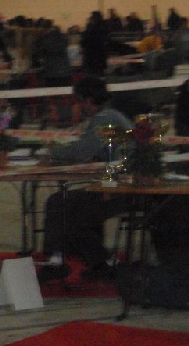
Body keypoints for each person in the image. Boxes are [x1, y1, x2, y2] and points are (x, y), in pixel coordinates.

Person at [39, 75, 134, 281]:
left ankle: (80, 261)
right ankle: (90, 261)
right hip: (118, 185)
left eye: (79, 101)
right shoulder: (113, 115)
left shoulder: (105, 119)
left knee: (63, 208)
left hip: (121, 189)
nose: (78, 107)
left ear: (88, 100)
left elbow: (82, 152)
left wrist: (52, 152)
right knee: (65, 205)